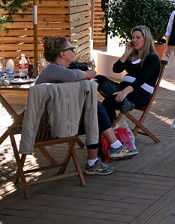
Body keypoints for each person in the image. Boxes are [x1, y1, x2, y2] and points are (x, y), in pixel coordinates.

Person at [37, 37, 137, 176]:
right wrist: (88, 73)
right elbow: (81, 75)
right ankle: (111, 148)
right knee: (95, 112)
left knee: (94, 112)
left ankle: (96, 160)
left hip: (56, 123)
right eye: (71, 49)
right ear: (62, 54)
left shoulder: (59, 71)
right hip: (48, 127)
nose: (74, 51)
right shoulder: (54, 70)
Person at [97, 25, 162, 124]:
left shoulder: (152, 57)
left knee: (109, 102)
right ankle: (125, 102)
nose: (134, 40)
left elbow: (142, 79)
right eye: (133, 37)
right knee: (98, 80)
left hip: (140, 93)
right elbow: (116, 69)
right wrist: (126, 53)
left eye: (138, 37)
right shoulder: (132, 55)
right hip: (123, 88)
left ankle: (107, 130)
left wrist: (125, 92)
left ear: (146, 39)